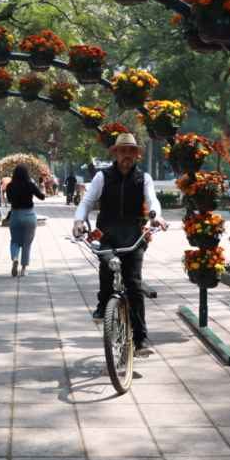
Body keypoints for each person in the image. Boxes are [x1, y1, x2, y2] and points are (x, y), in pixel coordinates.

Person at [73, 133, 167, 351]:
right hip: (107, 234)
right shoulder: (102, 177)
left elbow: (152, 199)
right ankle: (103, 304)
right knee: (107, 268)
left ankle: (140, 339)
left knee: (134, 284)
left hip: (134, 235)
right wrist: (79, 220)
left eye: (130, 151)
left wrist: (156, 215)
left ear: (136, 155)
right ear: (115, 154)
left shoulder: (144, 178)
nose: (126, 155)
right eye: (122, 151)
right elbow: (87, 201)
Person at [5, 164, 46, 277]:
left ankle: (14, 258)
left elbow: (9, 200)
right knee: (27, 243)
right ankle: (23, 269)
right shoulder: (30, 184)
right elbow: (42, 197)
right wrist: (42, 187)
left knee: (14, 241)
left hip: (15, 215)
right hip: (29, 215)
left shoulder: (10, 186)